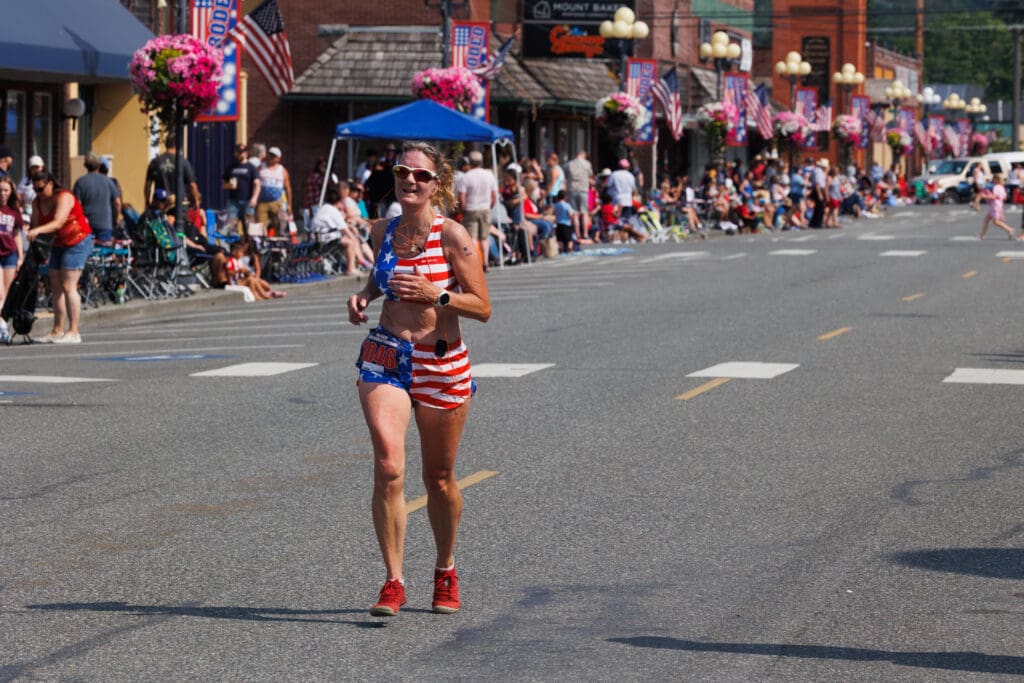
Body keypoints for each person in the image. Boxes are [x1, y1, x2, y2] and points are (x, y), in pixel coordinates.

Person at [347, 141, 491, 618]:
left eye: (421, 175)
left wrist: (438, 295)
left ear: (437, 184)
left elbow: (483, 307)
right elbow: (380, 275)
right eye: (402, 171)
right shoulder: (380, 230)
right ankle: (393, 580)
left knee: (440, 478)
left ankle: (445, 568)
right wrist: (365, 294)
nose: (410, 180)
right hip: (387, 354)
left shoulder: (453, 237)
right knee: (389, 465)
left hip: (441, 362)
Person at [26, 172, 94, 344]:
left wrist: (37, 231)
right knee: (55, 287)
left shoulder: (64, 197)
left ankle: (73, 331)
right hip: (58, 243)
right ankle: (57, 330)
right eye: (34, 189)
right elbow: (35, 224)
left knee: (68, 285)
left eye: (40, 188)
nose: (38, 192)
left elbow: (58, 222)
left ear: (50, 184)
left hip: (77, 240)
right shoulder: (37, 202)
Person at [456, 150, 498, 272]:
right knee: (484, 237)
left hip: (471, 208)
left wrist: (462, 210)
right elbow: (494, 196)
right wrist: (489, 206)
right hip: (485, 208)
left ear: (470, 162)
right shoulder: (489, 175)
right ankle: (485, 262)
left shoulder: (465, 177)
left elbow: (462, 197)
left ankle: (476, 262)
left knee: (472, 237)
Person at [310, 187, 363, 276]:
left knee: (348, 239)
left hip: (318, 239)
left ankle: (358, 263)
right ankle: (351, 268)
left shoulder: (324, 208)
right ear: (339, 201)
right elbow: (345, 230)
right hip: (326, 241)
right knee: (350, 242)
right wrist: (355, 239)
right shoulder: (334, 212)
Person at [144, 133, 201, 210]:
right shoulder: (183, 162)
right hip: (179, 206)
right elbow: (192, 185)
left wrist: (147, 202)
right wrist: (196, 201)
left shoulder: (155, 162)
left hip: (160, 205)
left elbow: (148, 186)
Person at [72, 152, 120, 244]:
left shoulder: (80, 182)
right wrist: (116, 218)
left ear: (86, 166)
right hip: (105, 224)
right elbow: (117, 202)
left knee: (88, 252)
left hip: (86, 224)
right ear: (99, 165)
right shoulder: (108, 181)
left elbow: (75, 205)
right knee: (105, 253)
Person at [0, 176, 25, 342]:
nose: (2, 193)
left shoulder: (14, 212)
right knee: (0, 293)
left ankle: (2, 326)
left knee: (7, 295)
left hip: (10, 254)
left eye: (6, 190)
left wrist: (21, 257)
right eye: (0, 190)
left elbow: (17, 235)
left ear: (11, 192)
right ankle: (2, 327)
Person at [221, 143, 260, 233]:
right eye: (238, 152)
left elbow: (257, 184)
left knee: (249, 228)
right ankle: (234, 245)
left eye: (242, 152)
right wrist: (228, 185)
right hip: (233, 202)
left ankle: (250, 245)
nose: (240, 154)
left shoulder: (251, 168)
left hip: (247, 201)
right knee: (231, 227)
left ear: (246, 153)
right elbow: (223, 184)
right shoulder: (230, 167)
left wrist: (254, 198)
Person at [255, 146, 292, 236]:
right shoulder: (260, 168)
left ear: (278, 158)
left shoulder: (282, 170)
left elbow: (288, 189)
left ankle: (276, 244)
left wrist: (289, 205)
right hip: (262, 202)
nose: (271, 158)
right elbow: (254, 183)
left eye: (274, 156)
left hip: (277, 202)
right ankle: (261, 243)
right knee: (260, 226)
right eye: (270, 155)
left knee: (278, 225)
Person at [978, 173, 1017, 240]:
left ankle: (1010, 229)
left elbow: (994, 196)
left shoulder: (996, 187)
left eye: (994, 179)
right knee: (986, 220)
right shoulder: (1002, 187)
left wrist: (985, 196)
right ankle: (981, 236)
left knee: (996, 222)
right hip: (997, 205)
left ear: (997, 180)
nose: (993, 180)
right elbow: (1005, 197)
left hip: (995, 206)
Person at [565, 150, 593, 241]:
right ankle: (585, 233)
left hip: (572, 189)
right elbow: (590, 174)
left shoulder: (569, 164)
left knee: (575, 213)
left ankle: (577, 234)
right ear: (583, 155)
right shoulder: (587, 164)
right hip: (583, 189)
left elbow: (566, 175)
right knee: (584, 212)